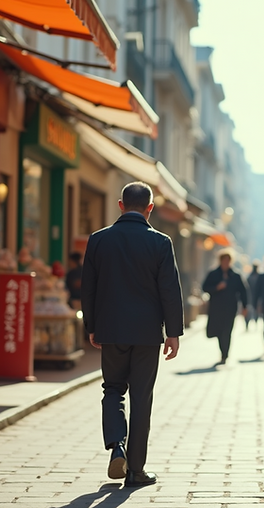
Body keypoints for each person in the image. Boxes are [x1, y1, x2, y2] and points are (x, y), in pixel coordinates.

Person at [81, 182, 183, 487]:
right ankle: (136, 470)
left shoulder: (98, 240)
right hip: (147, 333)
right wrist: (174, 333)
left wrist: (92, 326)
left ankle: (117, 446)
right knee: (142, 397)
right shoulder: (161, 242)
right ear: (150, 209)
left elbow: (88, 287)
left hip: (111, 329)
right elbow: (169, 290)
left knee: (112, 389)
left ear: (120, 205)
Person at [202, 250, 248, 365]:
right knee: (219, 331)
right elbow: (205, 287)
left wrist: (245, 306)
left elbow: (243, 291)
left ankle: (225, 354)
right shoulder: (213, 274)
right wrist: (217, 287)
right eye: (224, 260)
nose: (226, 263)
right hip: (216, 308)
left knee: (227, 331)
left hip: (230, 308)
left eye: (228, 261)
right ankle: (222, 351)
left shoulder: (236, 276)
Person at [245, 262, 261, 330]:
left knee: (254, 310)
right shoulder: (254, 277)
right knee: (251, 311)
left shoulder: (253, 277)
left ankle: (252, 323)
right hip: (251, 296)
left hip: (254, 296)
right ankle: (248, 324)